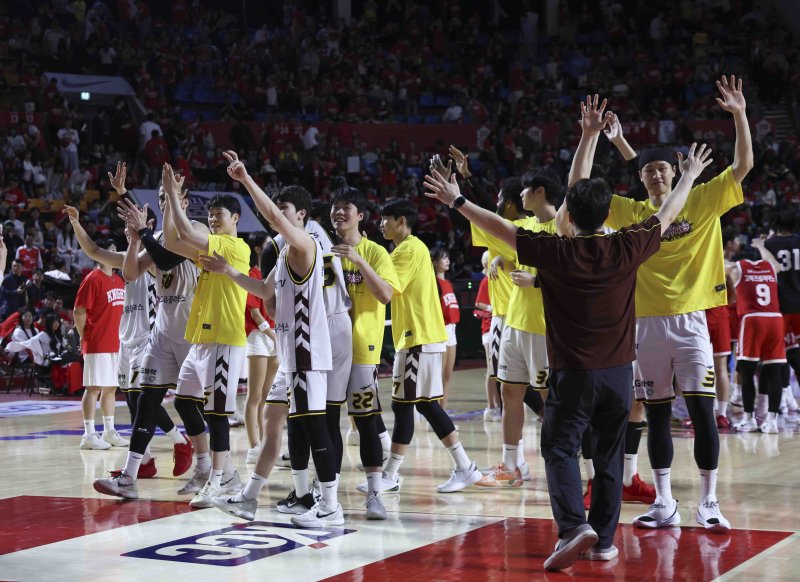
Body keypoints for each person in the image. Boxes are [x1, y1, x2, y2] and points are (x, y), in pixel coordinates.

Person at [424, 141, 712, 571]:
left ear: (568, 217)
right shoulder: (627, 245)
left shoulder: (555, 250)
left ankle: (573, 526)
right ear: (606, 215)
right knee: (610, 455)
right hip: (618, 375)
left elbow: (499, 227)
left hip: (572, 375)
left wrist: (457, 199)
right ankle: (604, 542)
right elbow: (668, 213)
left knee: (560, 449)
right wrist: (688, 175)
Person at [577, 77, 752, 532]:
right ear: (640, 179)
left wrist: (739, 114)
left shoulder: (703, 198)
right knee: (656, 416)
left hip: (692, 322)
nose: (656, 175)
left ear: (675, 172)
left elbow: (742, 166)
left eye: (663, 170)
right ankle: (665, 501)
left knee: (701, 413)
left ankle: (710, 502)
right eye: (648, 171)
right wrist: (595, 137)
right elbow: (580, 189)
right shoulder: (633, 215)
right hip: (646, 325)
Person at [208, 151, 344, 528]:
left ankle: (331, 506)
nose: (278, 214)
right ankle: (250, 498)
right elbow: (264, 291)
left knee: (313, 426)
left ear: (300, 214)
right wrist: (228, 271)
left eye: (284, 209)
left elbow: (269, 216)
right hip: (288, 354)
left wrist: (246, 179)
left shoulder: (304, 246)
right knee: (273, 421)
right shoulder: (285, 252)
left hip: (306, 351)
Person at [94, 164, 203, 500]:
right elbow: (129, 273)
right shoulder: (153, 237)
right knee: (146, 401)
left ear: (183, 199)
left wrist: (142, 233)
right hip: (162, 329)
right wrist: (123, 197)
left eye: (168, 195)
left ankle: (207, 468)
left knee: (190, 405)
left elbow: (167, 259)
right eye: (159, 197)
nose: (164, 201)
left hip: (192, 331)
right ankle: (129, 477)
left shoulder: (196, 229)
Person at [372, 197, 482, 494]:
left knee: (405, 405)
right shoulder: (413, 248)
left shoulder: (406, 250)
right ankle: (464, 466)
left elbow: (386, 290)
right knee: (423, 405)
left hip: (417, 338)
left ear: (401, 222)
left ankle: (392, 474)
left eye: (386, 218)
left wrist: (360, 263)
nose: (381, 223)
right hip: (422, 338)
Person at [160, 164, 249, 509]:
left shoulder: (233, 248)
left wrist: (171, 193)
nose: (212, 219)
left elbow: (184, 230)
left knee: (217, 414)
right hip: (201, 339)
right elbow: (171, 240)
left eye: (219, 215)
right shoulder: (212, 249)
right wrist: (169, 204)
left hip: (225, 340)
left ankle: (219, 480)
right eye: (210, 215)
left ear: (236, 219)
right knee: (184, 401)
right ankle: (213, 469)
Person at [475, 168, 562, 488]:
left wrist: (538, 281)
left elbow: (576, 271)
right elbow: (494, 227)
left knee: (550, 399)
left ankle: (561, 463)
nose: (519, 196)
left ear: (540, 192)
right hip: (514, 321)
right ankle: (512, 465)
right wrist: (500, 259)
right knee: (509, 390)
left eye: (525, 190)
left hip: (545, 328)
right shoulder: (524, 226)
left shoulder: (564, 226)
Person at [329, 187, 399, 519]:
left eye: (347, 208)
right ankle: (327, 496)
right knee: (326, 422)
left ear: (361, 216)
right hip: (326, 352)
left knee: (366, 420)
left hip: (361, 350)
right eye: (335, 208)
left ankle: (374, 494)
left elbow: (386, 294)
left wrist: (357, 260)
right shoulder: (322, 253)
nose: (339, 213)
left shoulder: (375, 252)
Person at [73, 237, 126, 451]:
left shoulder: (120, 280)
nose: (114, 255)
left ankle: (109, 430)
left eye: (115, 251)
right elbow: (79, 311)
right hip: (96, 342)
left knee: (110, 388)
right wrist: (83, 334)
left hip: (115, 343)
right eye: (110, 251)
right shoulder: (92, 279)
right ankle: (88, 434)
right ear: (100, 253)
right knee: (93, 388)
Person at [730, 237, 786, 434]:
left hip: (753, 319)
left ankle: (749, 419)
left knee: (746, 372)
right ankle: (772, 422)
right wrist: (761, 246)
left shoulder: (736, 268)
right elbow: (777, 264)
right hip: (775, 319)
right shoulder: (770, 268)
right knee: (774, 372)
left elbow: (718, 263)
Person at [764, 211, 800, 416]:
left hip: (781, 307)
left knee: (781, 354)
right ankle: (788, 398)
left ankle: (786, 396)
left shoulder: (769, 244)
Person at [474, 250, 501, 420]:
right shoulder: (486, 281)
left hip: (498, 327)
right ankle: (490, 407)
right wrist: (492, 308)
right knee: (492, 369)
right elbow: (478, 303)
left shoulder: (498, 279)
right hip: (489, 329)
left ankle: (498, 404)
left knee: (498, 370)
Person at [431, 247, 459, 411]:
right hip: (440, 330)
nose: (447, 260)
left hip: (452, 330)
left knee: (447, 375)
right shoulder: (433, 283)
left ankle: (443, 411)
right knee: (438, 375)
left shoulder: (448, 283)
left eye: (448, 257)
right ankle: (434, 414)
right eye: (443, 258)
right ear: (435, 262)